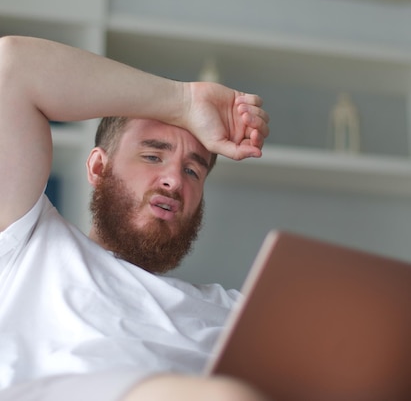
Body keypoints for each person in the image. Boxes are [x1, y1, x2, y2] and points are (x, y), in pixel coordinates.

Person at [0, 36, 270, 401]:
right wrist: (185, 102)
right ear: (98, 167)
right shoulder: (28, 245)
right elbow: (13, 67)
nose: (174, 180)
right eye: (152, 157)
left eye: (193, 171)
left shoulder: (231, 313)